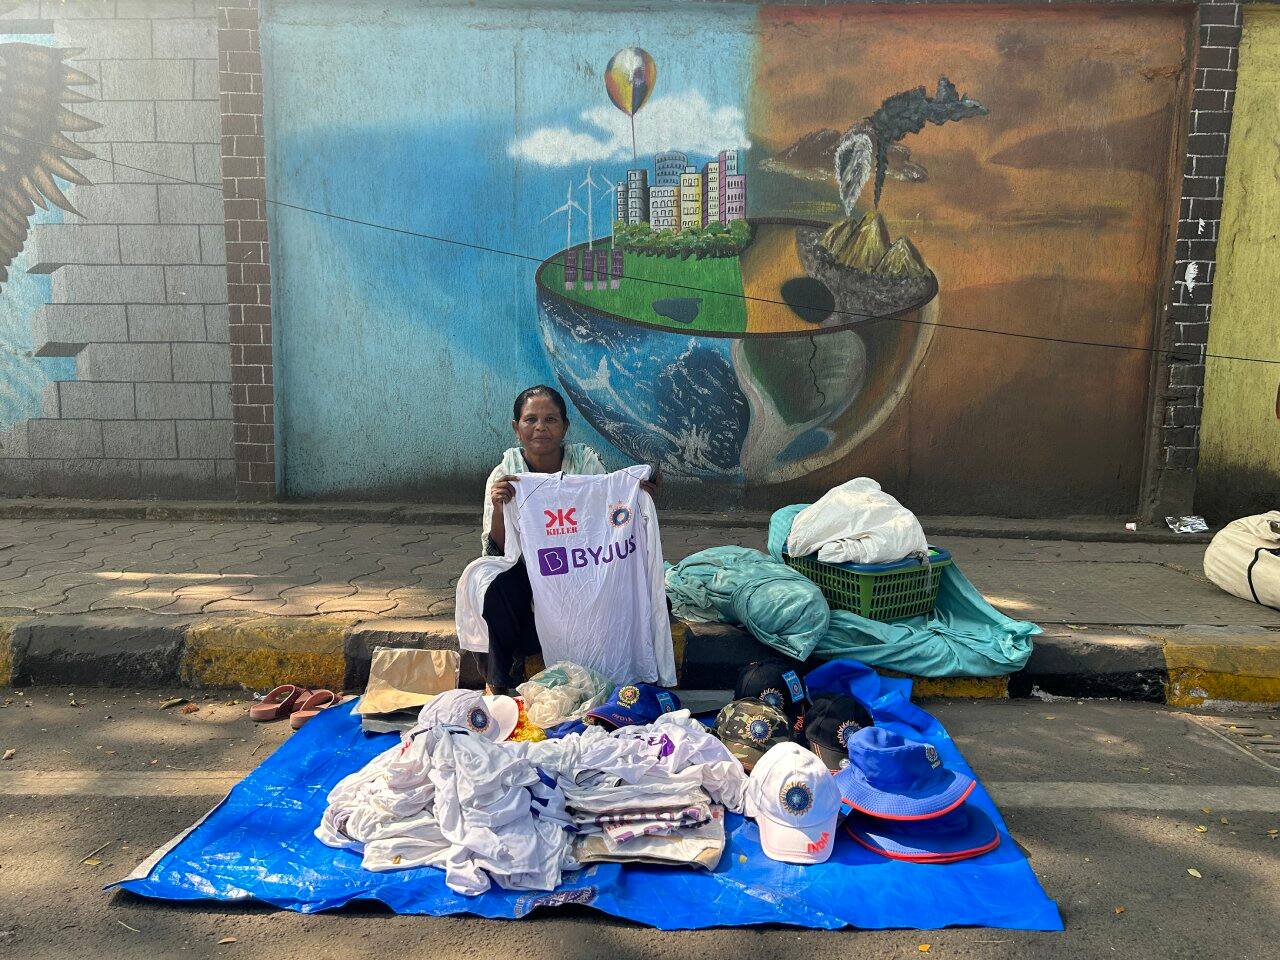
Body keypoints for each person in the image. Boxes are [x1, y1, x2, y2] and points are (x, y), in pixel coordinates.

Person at [480, 385, 660, 694]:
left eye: (550, 419)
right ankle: (497, 683)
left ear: (564, 426)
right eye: (530, 419)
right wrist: (500, 508)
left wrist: (636, 496)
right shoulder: (505, 476)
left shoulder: (586, 466)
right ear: (516, 427)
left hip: (581, 575)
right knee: (493, 586)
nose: (540, 427)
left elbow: (610, 515)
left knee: (632, 582)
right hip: (534, 587)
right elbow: (499, 549)